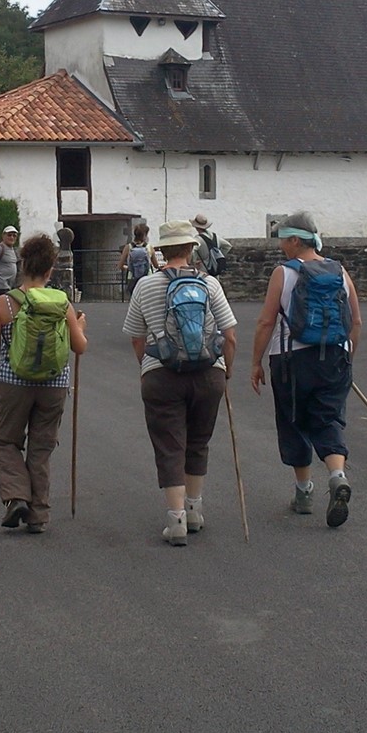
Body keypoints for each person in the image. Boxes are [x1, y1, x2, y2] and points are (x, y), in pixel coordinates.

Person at [122, 220, 238, 546]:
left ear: (162, 250)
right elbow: (230, 335)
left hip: (161, 374)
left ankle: (176, 521)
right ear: (190, 248)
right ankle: (195, 510)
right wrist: (226, 370)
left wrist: (147, 366)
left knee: (169, 445)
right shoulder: (210, 284)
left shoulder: (146, 286)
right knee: (198, 441)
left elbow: (136, 336)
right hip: (208, 373)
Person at [248, 210, 363, 528]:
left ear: (296, 241)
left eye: (284, 240)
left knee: (294, 420)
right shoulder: (339, 271)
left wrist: (255, 362)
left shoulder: (283, 273)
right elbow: (355, 321)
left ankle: (304, 492)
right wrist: (347, 358)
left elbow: (266, 321)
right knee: (328, 419)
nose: (281, 246)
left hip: (291, 360)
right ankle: (337, 476)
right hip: (335, 356)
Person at [0, 233, 89, 534]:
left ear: (22, 266)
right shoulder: (62, 304)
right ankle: (39, 515)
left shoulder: (5, 303)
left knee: (7, 441)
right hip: (54, 384)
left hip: (14, 383)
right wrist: (79, 327)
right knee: (41, 447)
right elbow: (79, 347)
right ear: (50, 270)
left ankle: (17, 497)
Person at [119, 222, 156, 298]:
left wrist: (129, 268)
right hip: (147, 277)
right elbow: (156, 265)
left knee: (134, 299)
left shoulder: (128, 247)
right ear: (145, 235)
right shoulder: (149, 247)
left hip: (132, 277)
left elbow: (120, 265)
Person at [193, 213, 231, 277]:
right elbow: (227, 246)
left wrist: (194, 261)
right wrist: (218, 255)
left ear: (196, 227)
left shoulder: (198, 239)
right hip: (215, 268)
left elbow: (193, 250)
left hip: (203, 270)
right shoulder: (215, 237)